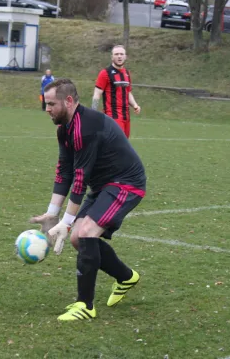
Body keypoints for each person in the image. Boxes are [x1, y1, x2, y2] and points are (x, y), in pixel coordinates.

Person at [30, 78, 146, 321]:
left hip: (127, 183)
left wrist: (67, 220)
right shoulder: (64, 128)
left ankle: (85, 305)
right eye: (46, 104)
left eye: (51, 104)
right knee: (77, 239)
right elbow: (65, 171)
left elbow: (80, 180)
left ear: (69, 101)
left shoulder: (86, 127)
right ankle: (126, 277)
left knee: (85, 232)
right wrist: (53, 214)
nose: (47, 109)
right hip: (104, 186)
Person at [91, 45, 141, 138]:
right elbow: (97, 94)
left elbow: (128, 92)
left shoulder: (127, 73)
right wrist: (93, 112)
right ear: (112, 57)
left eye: (121, 54)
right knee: (117, 146)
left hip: (126, 116)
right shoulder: (105, 73)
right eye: (116, 54)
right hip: (112, 116)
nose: (119, 56)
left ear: (125, 57)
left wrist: (135, 105)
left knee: (123, 145)